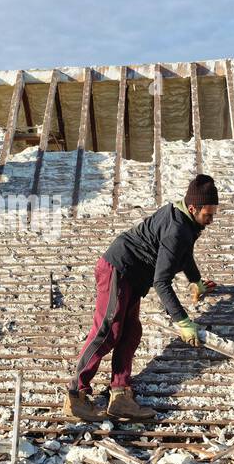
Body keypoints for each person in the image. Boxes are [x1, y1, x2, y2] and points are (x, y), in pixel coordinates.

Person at [64, 174, 220, 423]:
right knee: (108, 332)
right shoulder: (177, 229)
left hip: (132, 278)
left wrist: (196, 281)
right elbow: (161, 280)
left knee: (131, 332)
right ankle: (76, 393)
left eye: (213, 214)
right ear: (193, 208)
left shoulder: (186, 222)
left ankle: (120, 394)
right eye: (207, 215)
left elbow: (184, 254)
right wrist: (181, 320)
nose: (211, 220)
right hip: (118, 269)